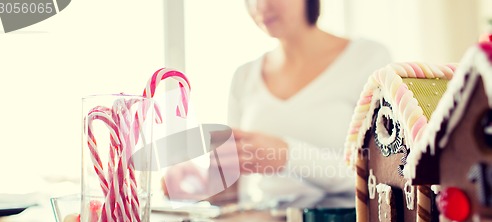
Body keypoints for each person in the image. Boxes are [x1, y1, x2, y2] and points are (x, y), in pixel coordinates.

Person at [163, 0, 392, 207]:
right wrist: (201, 185)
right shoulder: (244, 76)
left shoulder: (368, 58)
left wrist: (287, 155)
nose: (259, 6)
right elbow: (235, 188)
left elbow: (380, 177)